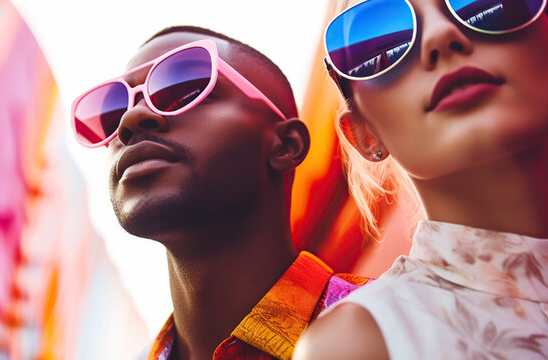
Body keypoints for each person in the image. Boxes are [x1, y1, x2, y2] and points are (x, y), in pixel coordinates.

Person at [294, 0, 548, 359]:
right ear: (364, 134)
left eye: (484, 5)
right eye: (390, 44)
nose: (440, 36)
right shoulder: (355, 345)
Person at [70, 26, 369, 360]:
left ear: (286, 145)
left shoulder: (405, 326)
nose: (131, 118)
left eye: (181, 89)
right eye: (111, 113)